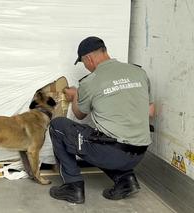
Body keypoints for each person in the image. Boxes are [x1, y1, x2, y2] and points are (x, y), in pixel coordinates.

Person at [49, 36, 155, 204]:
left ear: (88, 58)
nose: (86, 67)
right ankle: (126, 181)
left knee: (58, 126)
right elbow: (150, 111)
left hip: (113, 154)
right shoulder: (138, 72)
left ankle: (72, 186)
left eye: (84, 63)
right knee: (107, 133)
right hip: (140, 153)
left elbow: (79, 114)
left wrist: (76, 94)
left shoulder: (90, 81)